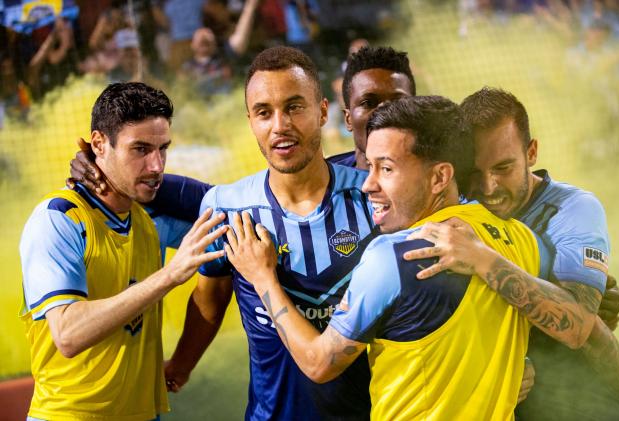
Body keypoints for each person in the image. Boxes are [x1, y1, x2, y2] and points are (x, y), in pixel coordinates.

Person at [222, 95, 544, 419]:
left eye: (386, 169)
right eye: (370, 166)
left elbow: (319, 363)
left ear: (439, 177)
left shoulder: (391, 258)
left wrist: (262, 277)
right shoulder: (522, 238)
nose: (368, 185)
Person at [163, 46, 375, 420]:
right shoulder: (226, 207)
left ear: (323, 111)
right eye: (264, 112)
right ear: (251, 121)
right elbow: (210, 298)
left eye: (294, 106)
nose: (280, 125)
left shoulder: (373, 200)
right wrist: (180, 365)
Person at [405, 87, 619, 419]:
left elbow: (579, 325)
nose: (489, 187)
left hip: (581, 400)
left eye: (503, 167)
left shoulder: (572, 209)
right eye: (475, 173)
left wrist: (481, 258)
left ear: (532, 152)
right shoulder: (457, 211)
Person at [19, 82, 228, 421]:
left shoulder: (147, 221)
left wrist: (182, 363)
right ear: (99, 144)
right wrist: (169, 276)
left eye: (163, 149)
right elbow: (68, 335)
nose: (157, 165)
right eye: (140, 149)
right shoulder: (58, 220)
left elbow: (223, 248)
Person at [328, 46, 416, 169]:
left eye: (398, 103)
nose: (384, 113)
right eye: (368, 103)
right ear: (348, 119)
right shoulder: (326, 182)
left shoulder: (437, 177)